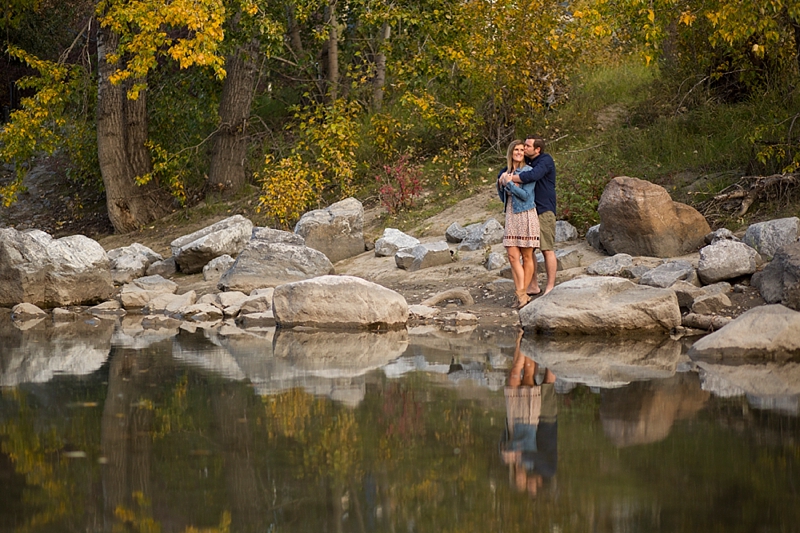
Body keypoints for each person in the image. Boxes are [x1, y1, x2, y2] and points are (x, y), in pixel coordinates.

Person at [500, 330, 558, 498]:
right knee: (544, 383)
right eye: (531, 487)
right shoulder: (546, 470)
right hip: (544, 422)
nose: (528, 484)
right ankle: (545, 346)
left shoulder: (525, 466)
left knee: (526, 375)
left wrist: (509, 452)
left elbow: (505, 443)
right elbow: (537, 455)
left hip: (526, 421)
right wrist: (519, 454)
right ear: (539, 484)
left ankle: (527, 341)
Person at [510, 136, 557, 296]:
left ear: (537, 149)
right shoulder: (528, 163)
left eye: (528, 146)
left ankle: (550, 286)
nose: (524, 147)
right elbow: (509, 169)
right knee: (529, 251)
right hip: (530, 212)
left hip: (544, 210)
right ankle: (533, 285)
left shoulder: (545, 160)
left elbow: (533, 176)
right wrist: (504, 175)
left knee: (547, 249)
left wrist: (510, 179)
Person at [497, 140, 540, 309]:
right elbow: (504, 198)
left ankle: (522, 295)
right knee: (512, 256)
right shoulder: (505, 172)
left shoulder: (528, 171)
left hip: (526, 214)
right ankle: (521, 293)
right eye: (516, 149)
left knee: (527, 256)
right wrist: (501, 184)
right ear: (511, 152)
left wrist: (509, 184)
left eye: (522, 150)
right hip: (511, 215)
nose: (519, 152)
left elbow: (526, 196)